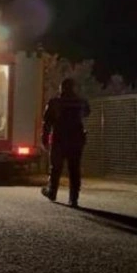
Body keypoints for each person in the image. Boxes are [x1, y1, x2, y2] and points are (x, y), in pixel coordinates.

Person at [41, 78, 91, 207]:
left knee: (55, 168)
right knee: (74, 169)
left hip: (59, 139)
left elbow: (47, 122)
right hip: (76, 140)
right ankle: (73, 198)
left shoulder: (54, 102)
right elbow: (87, 113)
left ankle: (52, 191)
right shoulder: (80, 102)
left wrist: (44, 138)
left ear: (61, 88)